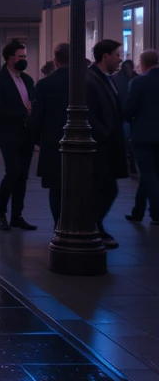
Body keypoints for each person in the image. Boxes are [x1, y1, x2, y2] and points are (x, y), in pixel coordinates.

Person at [0, 39, 36, 231]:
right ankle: (1, 212)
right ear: (10, 59)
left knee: (22, 176)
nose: (24, 60)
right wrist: (24, 114)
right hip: (8, 133)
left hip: (26, 134)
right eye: (20, 57)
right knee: (13, 172)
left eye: (25, 56)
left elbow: (34, 102)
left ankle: (17, 215)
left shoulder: (27, 80)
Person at [86, 39, 128, 248]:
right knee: (105, 188)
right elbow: (89, 113)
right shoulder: (91, 79)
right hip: (101, 145)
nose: (120, 59)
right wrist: (104, 133)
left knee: (107, 188)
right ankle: (93, 227)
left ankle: (95, 226)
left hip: (109, 144)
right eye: (117, 55)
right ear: (105, 57)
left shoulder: (106, 79)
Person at [29, 42, 69, 226]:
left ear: (55, 61)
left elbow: (37, 115)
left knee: (56, 187)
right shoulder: (86, 81)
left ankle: (58, 223)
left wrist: (36, 139)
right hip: (83, 143)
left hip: (52, 141)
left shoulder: (45, 84)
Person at [123, 48, 159, 225]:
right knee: (150, 174)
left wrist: (129, 121)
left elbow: (129, 108)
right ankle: (138, 211)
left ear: (143, 63)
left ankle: (156, 212)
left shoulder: (138, 82)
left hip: (143, 134)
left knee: (148, 173)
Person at [114, 57, 137, 173]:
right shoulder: (119, 78)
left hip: (131, 114)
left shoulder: (135, 78)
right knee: (126, 138)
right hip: (124, 114)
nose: (130, 70)